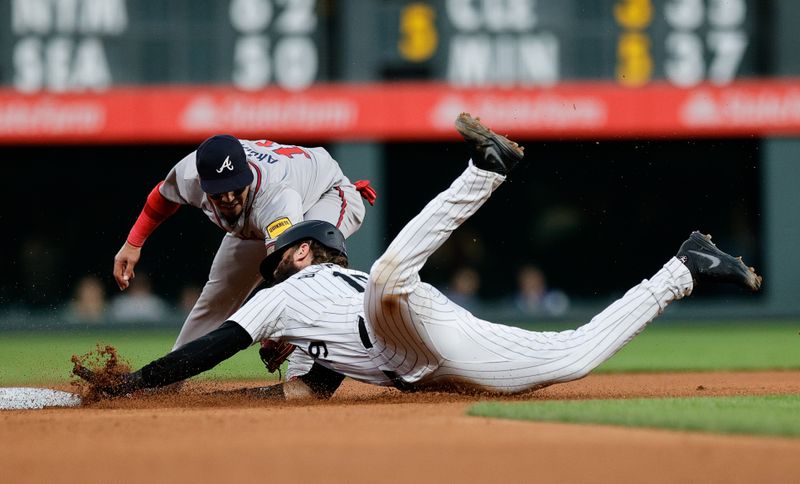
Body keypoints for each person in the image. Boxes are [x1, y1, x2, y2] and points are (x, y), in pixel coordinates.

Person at [76, 113, 762, 399]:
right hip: (425, 357)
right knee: (569, 358)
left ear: (307, 250)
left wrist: (132, 384)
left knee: (390, 274)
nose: (292, 256)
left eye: (298, 249)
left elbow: (212, 347)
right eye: (285, 253)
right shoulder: (287, 313)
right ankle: (685, 268)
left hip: (393, 305)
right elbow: (301, 389)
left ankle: (485, 172)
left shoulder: (292, 282)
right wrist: (255, 382)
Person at [112, 134, 375, 377]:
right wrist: (133, 243)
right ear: (202, 183)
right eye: (218, 191)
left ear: (247, 173)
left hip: (326, 195)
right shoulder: (190, 173)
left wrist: (276, 335)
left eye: (235, 187)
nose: (227, 197)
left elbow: (291, 274)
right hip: (253, 223)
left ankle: (304, 374)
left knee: (311, 269)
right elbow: (163, 196)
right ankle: (168, 377)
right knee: (216, 298)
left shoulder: (276, 197)